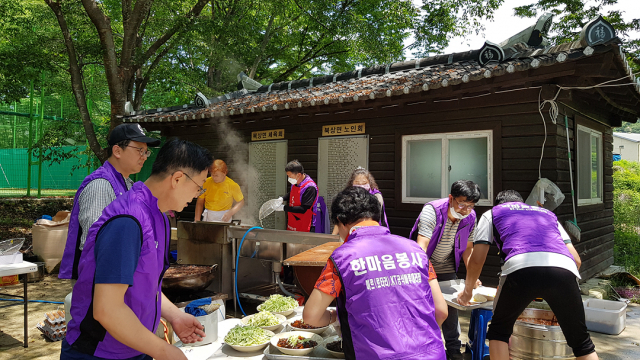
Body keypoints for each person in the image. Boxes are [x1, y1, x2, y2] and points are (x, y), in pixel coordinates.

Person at [61, 139, 213, 360]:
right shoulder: (128, 221)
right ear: (178, 179)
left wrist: (174, 315)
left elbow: (146, 285)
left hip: (135, 346)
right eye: (199, 186)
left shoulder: (159, 216)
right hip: (99, 353)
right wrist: (165, 351)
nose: (198, 194)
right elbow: (108, 310)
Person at [303, 186, 447, 360]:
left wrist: (334, 317)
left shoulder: (342, 258)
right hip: (432, 353)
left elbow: (311, 317)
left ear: (340, 221)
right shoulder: (416, 251)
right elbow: (441, 310)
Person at [458, 190, 596, 360]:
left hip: (520, 267)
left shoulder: (492, 213)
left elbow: (477, 259)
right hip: (564, 269)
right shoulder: (547, 214)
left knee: (499, 332)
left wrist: (467, 292)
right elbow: (576, 260)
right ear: (522, 202)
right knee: (581, 342)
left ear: (498, 204)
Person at [59, 123, 161, 280]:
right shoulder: (100, 185)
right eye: (140, 150)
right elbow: (94, 242)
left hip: (116, 274)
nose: (145, 156)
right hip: (99, 279)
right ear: (117, 151)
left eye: (146, 151)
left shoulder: (126, 183)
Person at [408, 179, 480, 360]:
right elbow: (421, 247)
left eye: (470, 206)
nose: (465, 210)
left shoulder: (470, 217)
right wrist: (426, 275)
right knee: (424, 307)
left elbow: (468, 249)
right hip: (424, 265)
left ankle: (454, 350)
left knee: (451, 306)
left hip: (447, 266)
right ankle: (420, 347)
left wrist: (472, 276)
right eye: (462, 204)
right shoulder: (431, 211)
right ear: (451, 198)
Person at [332, 167, 387, 235]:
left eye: (364, 183)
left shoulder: (376, 197)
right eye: (357, 183)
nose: (361, 185)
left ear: (370, 183)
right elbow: (341, 216)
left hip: (372, 232)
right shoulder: (347, 196)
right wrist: (333, 236)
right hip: (350, 232)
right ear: (352, 183)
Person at [275, 160, 318, 232]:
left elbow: (303, 209)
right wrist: (282, 199)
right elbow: (292, 193)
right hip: (293, 221)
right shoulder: (296, 182)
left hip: (306, 224)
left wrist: (283, 208)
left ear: (298, 175)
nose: (289, 178)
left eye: (290, 176)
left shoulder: (310, 187)